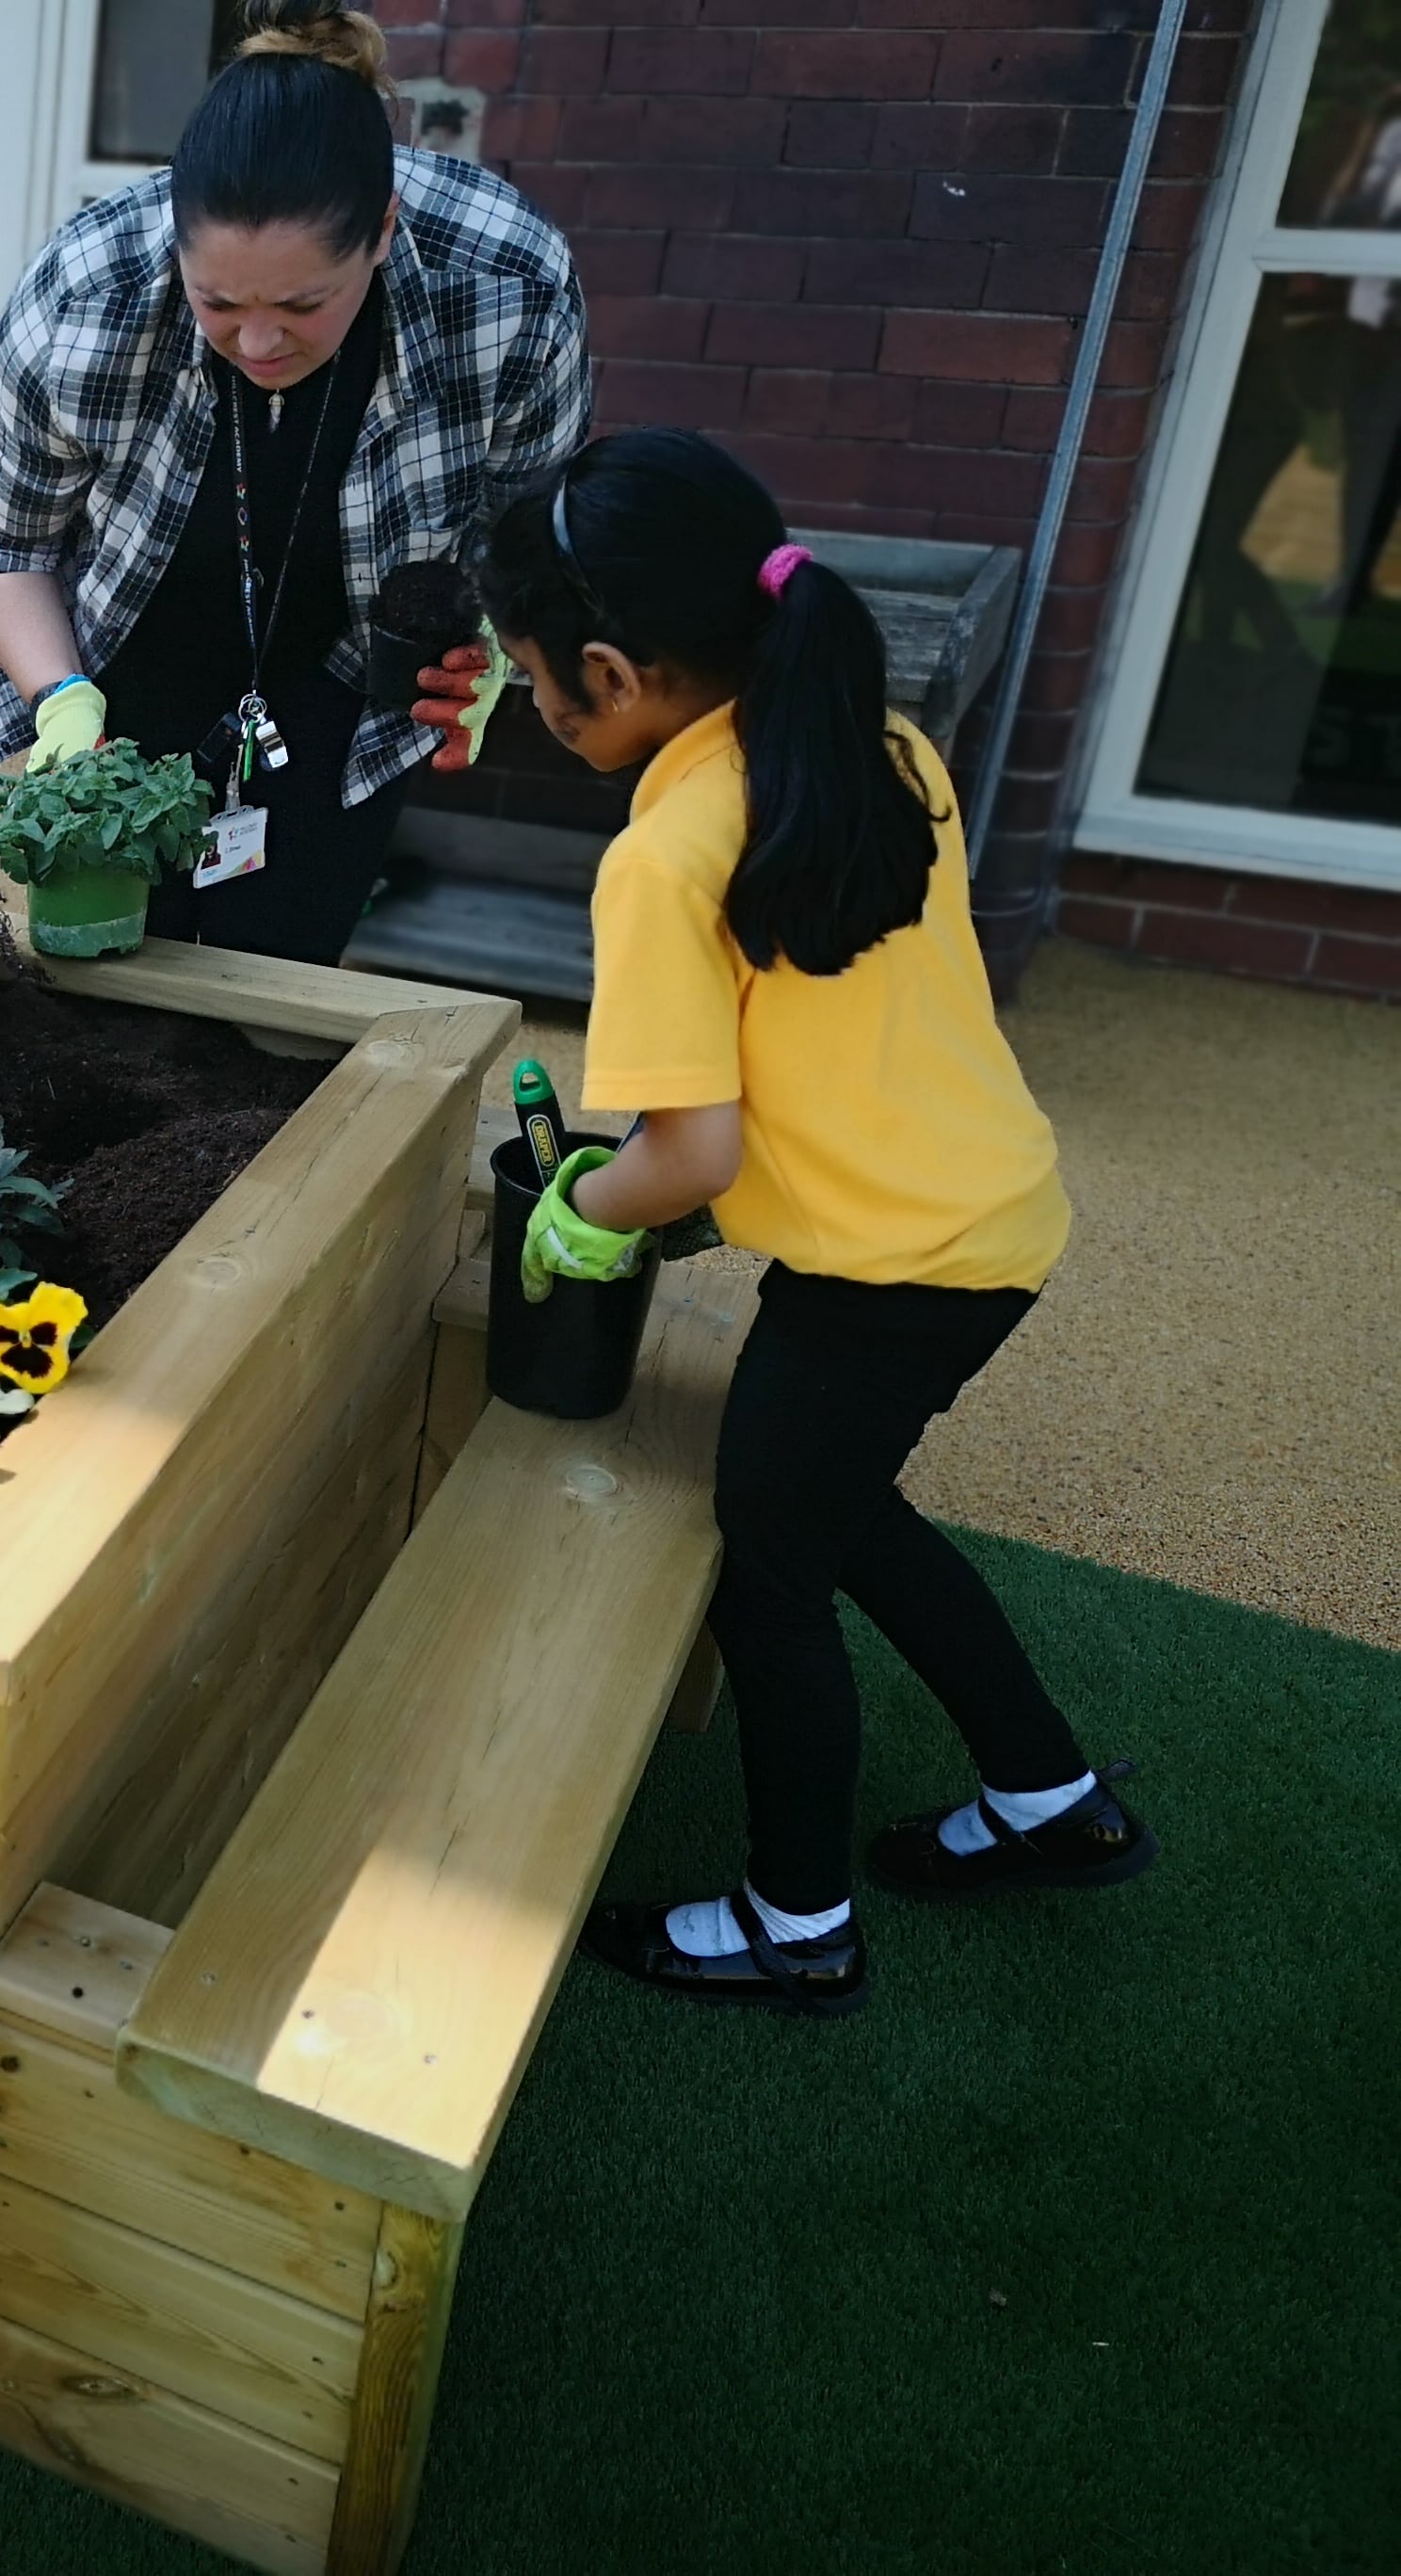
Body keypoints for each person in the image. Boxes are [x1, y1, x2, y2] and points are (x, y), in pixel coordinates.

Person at [480, 427, 1155, 2018]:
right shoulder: (881, 744)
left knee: (768, 1572)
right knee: (846, 1511)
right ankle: (1045, 1801)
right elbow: (835, 1040)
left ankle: (795, 1922)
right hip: (987, 1219)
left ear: (608, 668)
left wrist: (585, 1214)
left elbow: (689, 1149)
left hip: (881, 1276)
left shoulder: (664, 852)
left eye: (531, 678)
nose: (533, 706)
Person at [0, 0, 588, 964]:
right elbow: (4, 544)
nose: (257, 343)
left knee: (281, 995)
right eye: (219, 302)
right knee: (103, 984)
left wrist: (499, 646)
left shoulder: (506, 282)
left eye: (303, 304)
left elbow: (533, 525)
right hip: (119, 677)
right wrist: (62, 699)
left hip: (345, 687)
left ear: (383, 230)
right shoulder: (83, 298)